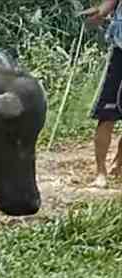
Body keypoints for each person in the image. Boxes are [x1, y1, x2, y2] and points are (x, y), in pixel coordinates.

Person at [85, 0, 122, 187]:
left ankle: (119, 164)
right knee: (107, 114)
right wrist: (100, 13)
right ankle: (101, 172)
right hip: (120, 51)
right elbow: (109, 4)